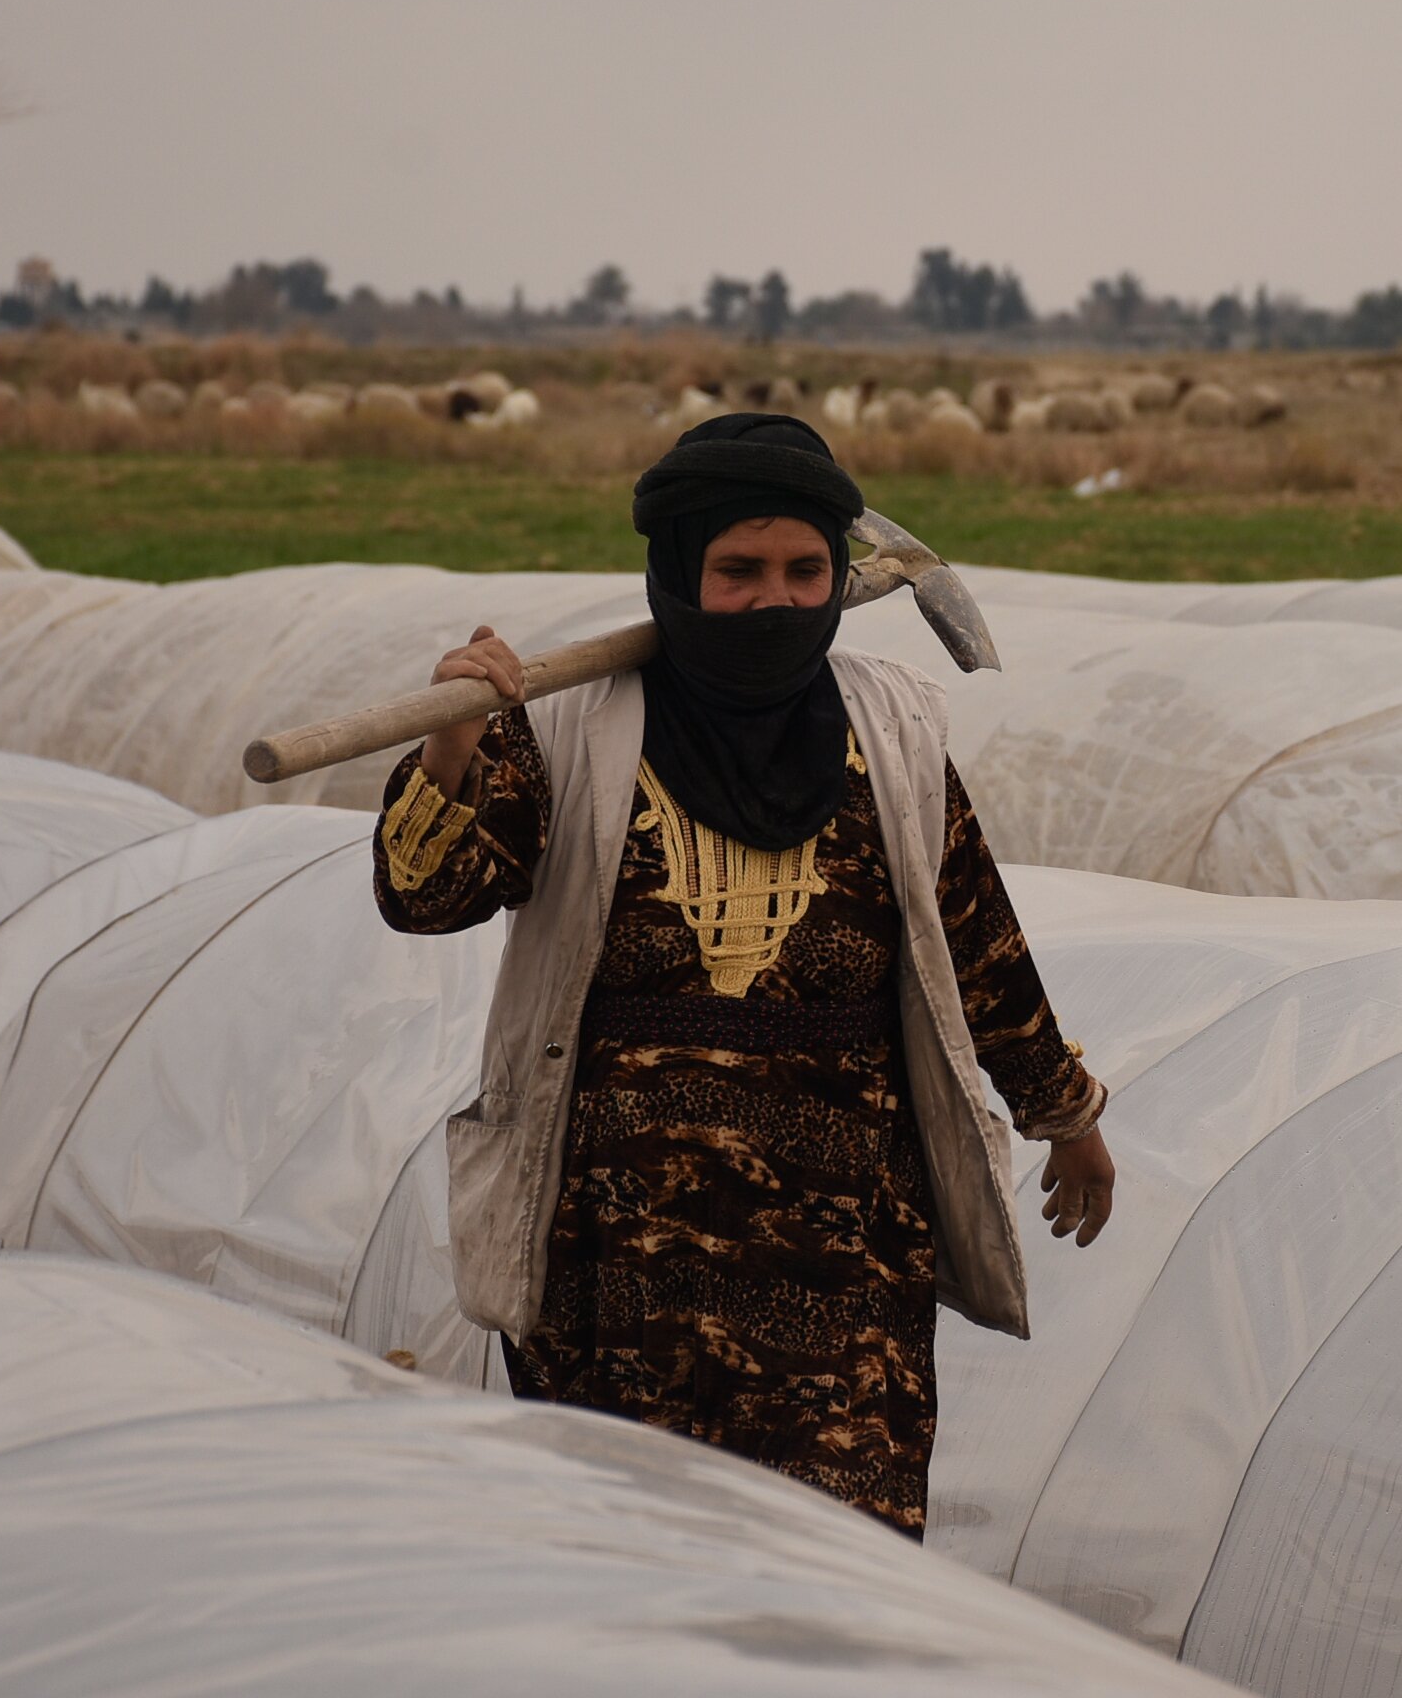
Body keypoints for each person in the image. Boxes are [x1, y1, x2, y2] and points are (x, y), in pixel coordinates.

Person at [374, 413, 1114, 1537]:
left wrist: (1066, 1112)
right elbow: (425, 897)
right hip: (613, 1272)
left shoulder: (892, 730)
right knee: (631, 1570)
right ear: (677, 570)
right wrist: (452, 746)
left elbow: (975, 940)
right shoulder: (568, 726)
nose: (776, 598)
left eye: (804, 568)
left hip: (846, 1263)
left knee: (836, 1573)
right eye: (737, 570)